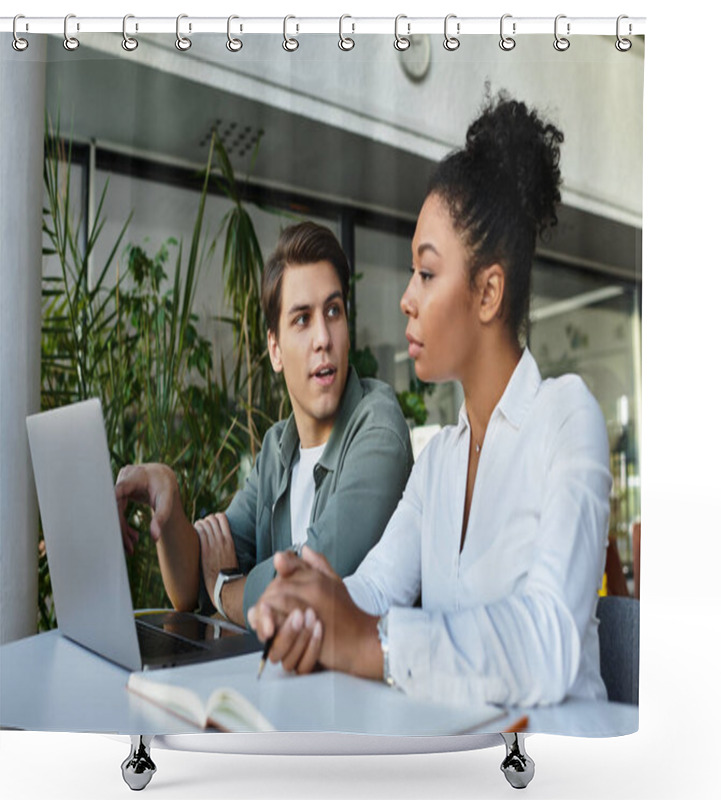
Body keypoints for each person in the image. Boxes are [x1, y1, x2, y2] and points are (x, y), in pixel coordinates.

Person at [247, 95, 613, 709]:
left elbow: (550, 640)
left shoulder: (566, 417)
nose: (406, 299)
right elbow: (374, 590)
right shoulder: (439, 460)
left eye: (426, 272)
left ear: (488, 292)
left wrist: (375, 644)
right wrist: (307, 604)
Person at [115, 221, 414, 630]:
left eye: (333, 311)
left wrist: (226, 590)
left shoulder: (379, 427)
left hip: (356, 689)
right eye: (302, 320)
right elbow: (190, 587)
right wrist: (167, 500)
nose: (323, 338)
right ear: (275, 349)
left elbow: (307, 588)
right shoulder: (277, 449)